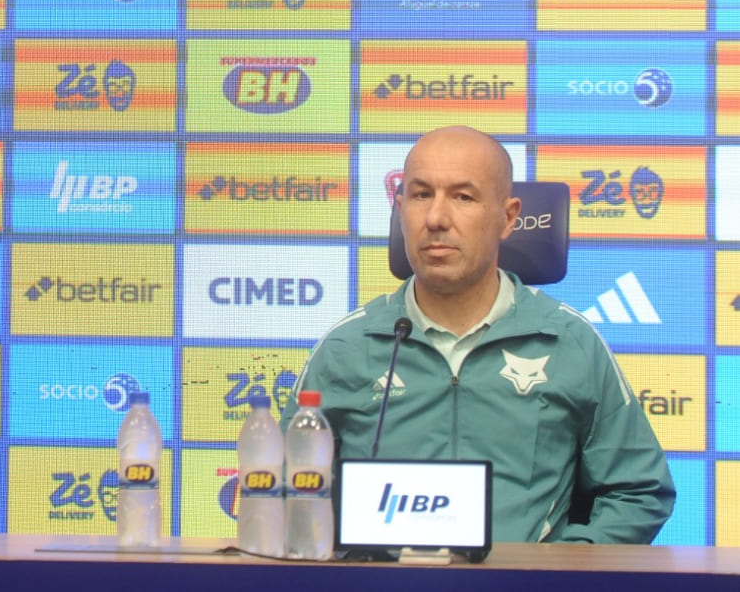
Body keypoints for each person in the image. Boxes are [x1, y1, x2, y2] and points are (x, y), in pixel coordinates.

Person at [286, 126, 674, 543]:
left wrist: (562, 565)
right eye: (421, 195)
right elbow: (285, 490)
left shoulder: (569, 342)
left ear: (508, 217)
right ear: (400, 210)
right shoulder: (346, 347)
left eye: (463, 197)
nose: (436, 218)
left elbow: (639, 492)